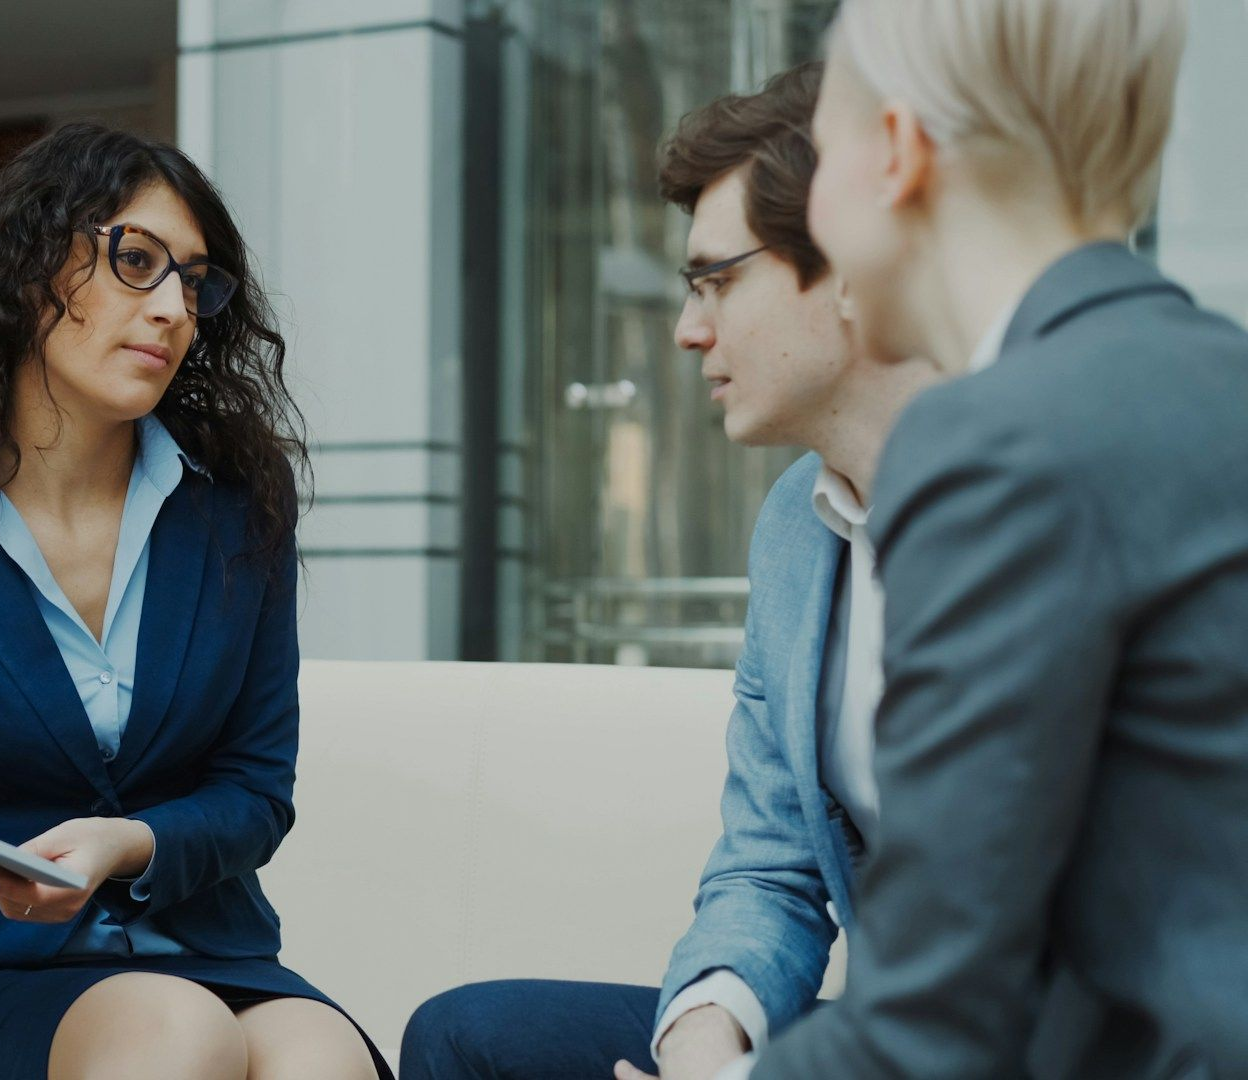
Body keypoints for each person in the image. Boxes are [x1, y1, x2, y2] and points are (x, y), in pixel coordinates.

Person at [0, 123, 392, 1080]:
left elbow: (255, 795)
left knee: (321, 1061)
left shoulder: (237, 511)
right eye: (137, 261)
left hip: (212, 952)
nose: (175, 307)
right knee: (173, 1033)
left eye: (195, 280)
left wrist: (129, 843)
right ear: (27, 272)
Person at [727, 1, 1248, 1076]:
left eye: (820, 158)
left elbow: (933, 1022)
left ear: (898, 157)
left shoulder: (991, 442)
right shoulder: (1213, 384)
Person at [398, 62, 939, 1080]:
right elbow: (772, 867)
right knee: (466, 1038)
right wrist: (706, 1039)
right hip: (887, 1030)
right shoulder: (796, 530)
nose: (689, 328)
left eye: (717, 279)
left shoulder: (1046, 500)